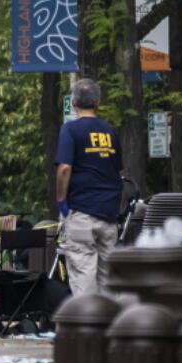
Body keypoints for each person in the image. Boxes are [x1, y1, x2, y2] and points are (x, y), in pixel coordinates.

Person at [55, 78, 123, 296]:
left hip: (81, 212)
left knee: (83, 272)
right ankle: (108, 325)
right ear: (98, 102)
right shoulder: (110, 131)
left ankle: (87, 325)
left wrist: (61, 201)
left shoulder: (70, 130)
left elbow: (65, 168)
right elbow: (119, 172)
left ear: (73, 102)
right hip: (108, 215)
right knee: (108, 278)